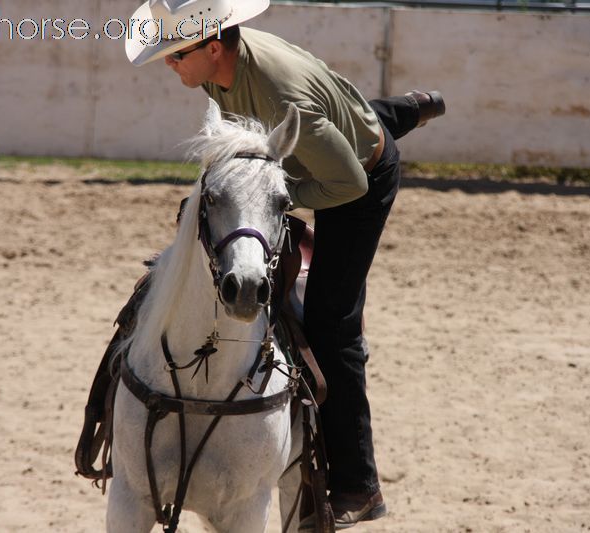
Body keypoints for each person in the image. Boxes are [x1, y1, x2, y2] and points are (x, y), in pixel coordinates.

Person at [119, 0, 444, 528]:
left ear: (213, 47)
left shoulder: (277, 91)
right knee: (334, 123)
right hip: (315, 133)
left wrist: (269, 199)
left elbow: (348, 183)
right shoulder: (215, 72)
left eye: (176, 54)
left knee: (330, 323)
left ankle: (359, 485)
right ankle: (399, 110)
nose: (169, 63)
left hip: (357, 183)